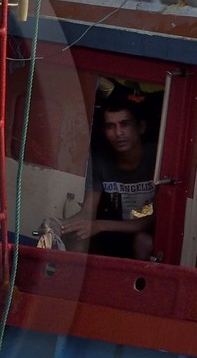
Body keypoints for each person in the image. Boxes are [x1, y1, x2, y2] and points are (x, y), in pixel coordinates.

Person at [60, 91, 157, 260]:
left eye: (125, 124)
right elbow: (88, 210)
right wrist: (65, 225)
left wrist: (98, 225)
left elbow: (147, 222)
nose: (118, 133)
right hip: (112, 233)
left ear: (140, 127)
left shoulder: (157, 158)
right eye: (110, 126)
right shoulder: (100, 161)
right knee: (79, 235)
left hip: (146, 233)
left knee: (144, 241)